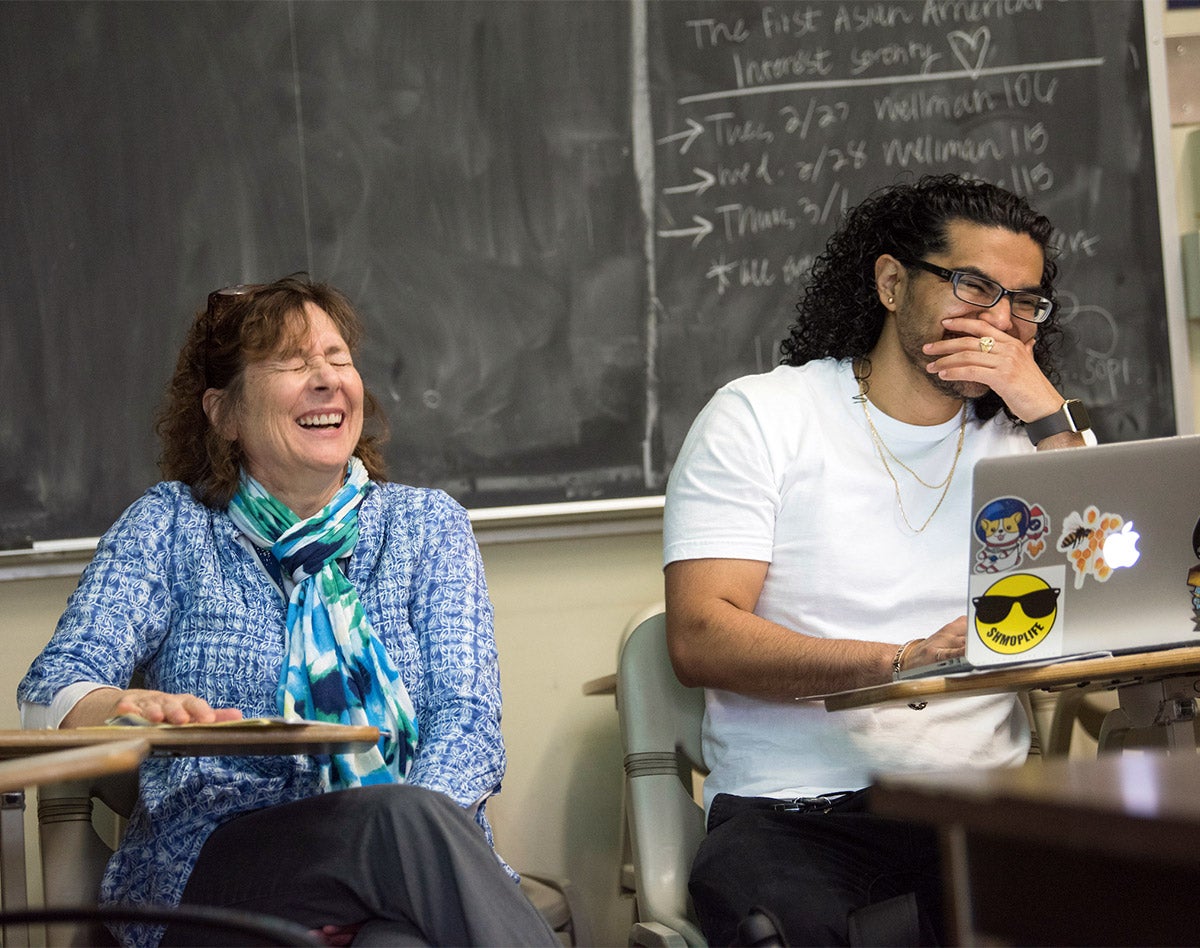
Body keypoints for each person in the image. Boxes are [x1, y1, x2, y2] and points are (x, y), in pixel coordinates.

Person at [18, 275, 558, 948]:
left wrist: (386, 873)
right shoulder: (172, 527)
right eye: (294, 364)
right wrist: (127, 707)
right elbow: (51, 686)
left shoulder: (427, 528)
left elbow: (468, 725)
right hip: (217, 870)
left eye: (338, 359)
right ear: (225, 413)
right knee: (397, 825)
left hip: (410, 863)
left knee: (401, 937)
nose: (328, 380)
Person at [663, 173, 1091, 946]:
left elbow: (1109, 602)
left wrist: (1047, 413)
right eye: (974, 287)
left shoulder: (1029, 441)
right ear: (893, 283)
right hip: (799, 811)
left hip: (985, 805)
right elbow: (699, 635)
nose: (1000, 323)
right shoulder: (763, 417)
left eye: (1023, 303)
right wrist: (898, 661)